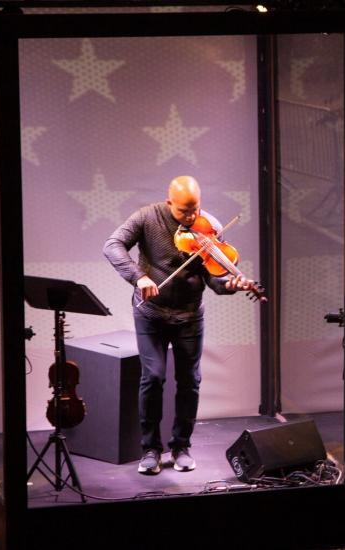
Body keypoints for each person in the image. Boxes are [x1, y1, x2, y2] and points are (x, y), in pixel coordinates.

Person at [103, 175, 254, 475]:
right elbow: (112, 245)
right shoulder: (147, 217)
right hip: (151, 313)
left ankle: (181, 446)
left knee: (190, 382)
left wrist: (232, 284)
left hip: (189, 316)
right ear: (169, 201)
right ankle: (150, 449)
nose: (191, 217)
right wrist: (138, 276)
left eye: (195, 209)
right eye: (184, 211)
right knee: (153, 378)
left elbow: (215, 280)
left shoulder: (207, 227)